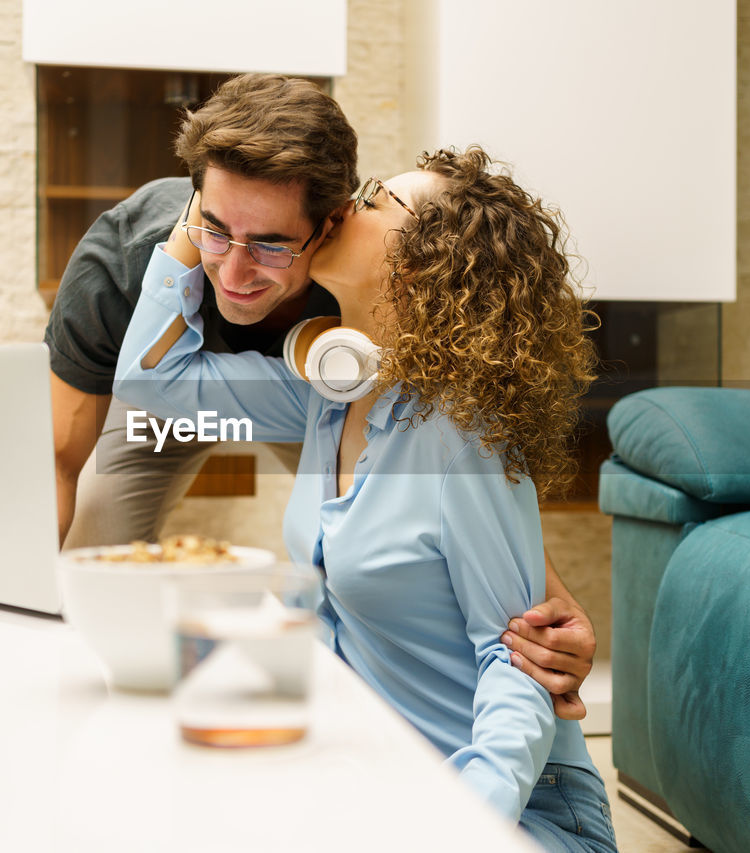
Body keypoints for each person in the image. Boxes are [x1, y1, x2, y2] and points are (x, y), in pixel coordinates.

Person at [44, 73, 596, 719]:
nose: (235, 270)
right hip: (171, 381)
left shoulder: (357, 264)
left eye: (272, 244)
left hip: (305, 389)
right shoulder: (124, 259)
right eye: (217, 231)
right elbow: (71, 449)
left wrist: (542, 602)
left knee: (358, 553)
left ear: (332, 221)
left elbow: (452, 455)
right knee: (99, 535)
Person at [112, 146, 616, 850]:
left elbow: (518, 663)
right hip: (380, 795)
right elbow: (148, 378)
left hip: (512, 810)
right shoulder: (330, 393)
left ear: (426, 261)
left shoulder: (456, 434)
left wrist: (457, 826)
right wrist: (210, 208)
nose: (349, 205)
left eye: (377, 199)